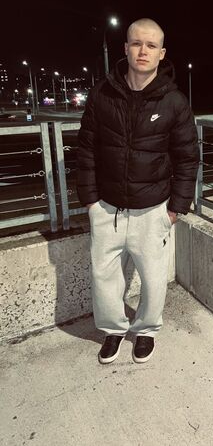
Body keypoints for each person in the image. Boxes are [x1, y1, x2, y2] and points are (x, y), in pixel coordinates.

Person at [77, 18, 199, 364]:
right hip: (107, 208)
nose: (143, 51)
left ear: (162, 53)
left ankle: (146, 329)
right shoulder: (102, 94)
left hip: (152, 209)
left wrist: (175, 209)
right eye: (136, 43)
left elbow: (187, 158)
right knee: (103, 276)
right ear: (126, 48)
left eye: (151, 45)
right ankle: (113, 329)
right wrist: (90, 201)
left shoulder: (174, 101)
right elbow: (86, 149)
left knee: (154, 277)